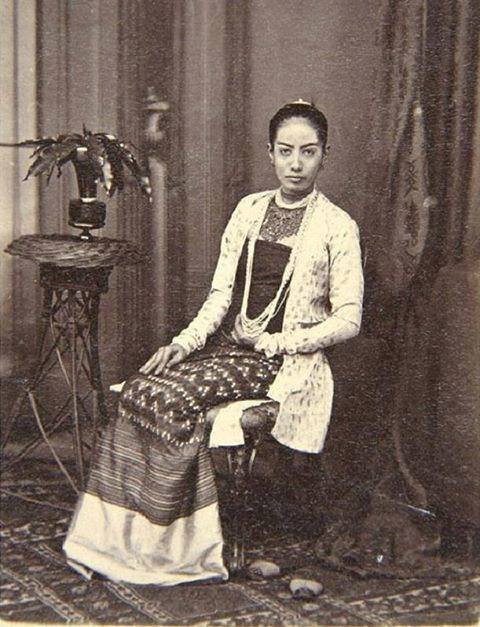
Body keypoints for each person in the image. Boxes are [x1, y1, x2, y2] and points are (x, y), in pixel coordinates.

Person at [63, 100, 364, 585]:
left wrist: (285, 340)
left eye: (308, 152)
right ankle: (123, 537)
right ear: (269, 152)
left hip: (286, 364)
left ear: (324, 156)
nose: (295, 163)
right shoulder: (248, 210)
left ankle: (181, 542)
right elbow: (220, 296)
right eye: (285, 151)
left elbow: (349, 318)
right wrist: (183, 345)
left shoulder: (337, 226)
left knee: (175, 398)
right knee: (143, 388)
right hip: (229, 349)